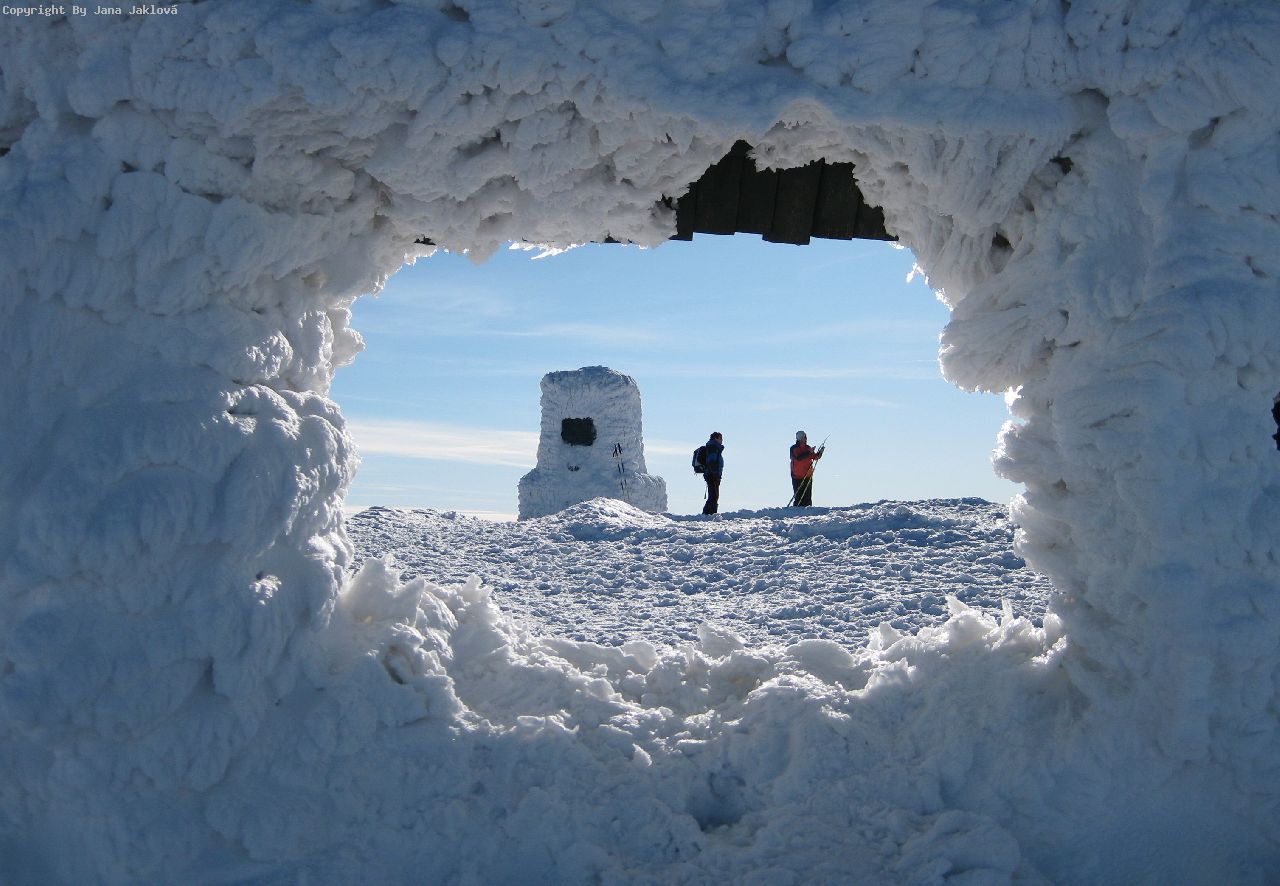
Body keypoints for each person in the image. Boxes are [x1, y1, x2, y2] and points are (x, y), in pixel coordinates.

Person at [789, 430, 823, 506]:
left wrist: (819, 453)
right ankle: (797, 510)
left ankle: (808, 510)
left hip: (807, 475)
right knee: (798, 497)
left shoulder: (808, 448)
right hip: (797, 476)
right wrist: (809, 452)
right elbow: (798, 458)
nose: (806, 438)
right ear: (800, 438)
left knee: (807, 497)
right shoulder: (794, 448)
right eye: (804, 437)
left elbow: (815, 457)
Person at [701, 432, 724, 514]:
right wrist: (714, 473)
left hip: (711, 474)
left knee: (713, 495)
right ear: (716, 438)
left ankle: (708, 513)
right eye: (721, 438)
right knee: (714, 496)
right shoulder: (713, 447)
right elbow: (711, 460)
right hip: (712, 475)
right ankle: (710, 514)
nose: (722, 440)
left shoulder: (713, 446)